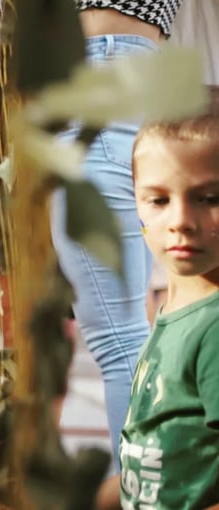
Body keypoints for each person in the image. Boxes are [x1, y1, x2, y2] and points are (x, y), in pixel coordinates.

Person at [51, 1, 183, 459]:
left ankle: (145, 493)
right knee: (133, 334)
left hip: (101, 89)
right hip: (132, 84)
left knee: (121, 341)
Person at [93, 89, 219, 509]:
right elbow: (148, 468)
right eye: (159, 200)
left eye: (210, 198)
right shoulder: (176, 313)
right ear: (136, 205)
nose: (181, 221)